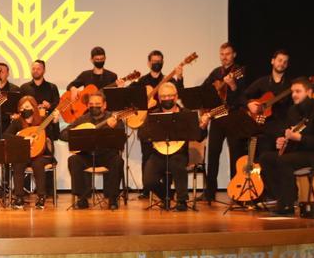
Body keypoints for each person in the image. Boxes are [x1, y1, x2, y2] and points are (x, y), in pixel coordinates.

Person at [259, 77, 314, 216]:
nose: (294, 95)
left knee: (284, 161)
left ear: (309, 92)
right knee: (265, 158)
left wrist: (300, 138)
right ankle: (282, 198)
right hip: (301, 153)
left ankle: (287, 205)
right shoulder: (293, 111)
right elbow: (289, 133)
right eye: (292, 92)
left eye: (298, 91)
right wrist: (282, 141)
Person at [141, 82, 210, 211]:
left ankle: (182, 201)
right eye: (163, 96)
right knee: (148, 181)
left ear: (176, 96)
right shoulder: (153, 115)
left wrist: (203, 126)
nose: (167, 98)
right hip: (158, 154)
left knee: (177, 165)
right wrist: (151, 132)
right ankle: (166, 196)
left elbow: (199, 137)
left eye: (170, 95)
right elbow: (142, 135)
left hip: (179, 153)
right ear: (159, 98)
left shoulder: (186, 114)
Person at [200, 42, 248, 202]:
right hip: (218, 117)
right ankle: (210, 192)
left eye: (227, 54)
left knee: (236, 154)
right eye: (222, 54)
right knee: (212, 154)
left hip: (234, 116)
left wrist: (232, 85)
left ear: (234, 55)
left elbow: (242, 94)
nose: (224, 57)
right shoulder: (216, 72)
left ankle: (236, 191)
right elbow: (204, 90)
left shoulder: (239, 72)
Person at [133, 50, 184, 199]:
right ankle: (146, 189)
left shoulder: (169, 80)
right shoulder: (142, 81)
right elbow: (134, 98)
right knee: (147, 156)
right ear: (149, 63)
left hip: (166, 122)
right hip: (147, 122)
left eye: (159, 61)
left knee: (168, 153)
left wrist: (179, 77)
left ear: (163, 62)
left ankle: (167, 190)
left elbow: (180, 92)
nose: (157, 63)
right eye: (154, 61)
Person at [60, 92, 124, 210]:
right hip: (87, 155)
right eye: (91, 104)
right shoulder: (82, 119)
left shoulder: (113, 118)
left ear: (104, 105)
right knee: (73, 160)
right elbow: (63, 134)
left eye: (98, 104)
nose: (94, 106)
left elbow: (121, 139)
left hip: (107, 155)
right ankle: (82, 197)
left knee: (118, 161)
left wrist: (115, 128)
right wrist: (77, 132)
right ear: (88, 105)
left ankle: (112, 198)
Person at [2, 95, 59, 209]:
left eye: (27, 106)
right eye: (22, 108)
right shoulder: (17, 122)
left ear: (34, 107)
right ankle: (19, 198)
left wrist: (56, 122)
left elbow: (54, 136)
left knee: (38, 164)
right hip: (24, 154)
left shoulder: (43, 120)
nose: (24, 109)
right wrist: (22, 138)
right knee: (18, 163)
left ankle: (41, 197)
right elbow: (6, 135)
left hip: (42, 154)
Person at [244, 49, 292, 155]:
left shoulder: (291, 85)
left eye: (285, 62)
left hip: (281, 127)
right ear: (272, 61)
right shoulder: (262, 82)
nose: (282, 63)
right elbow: (243, 95)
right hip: (263, 126)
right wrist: (249, 104)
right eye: (280, 60)